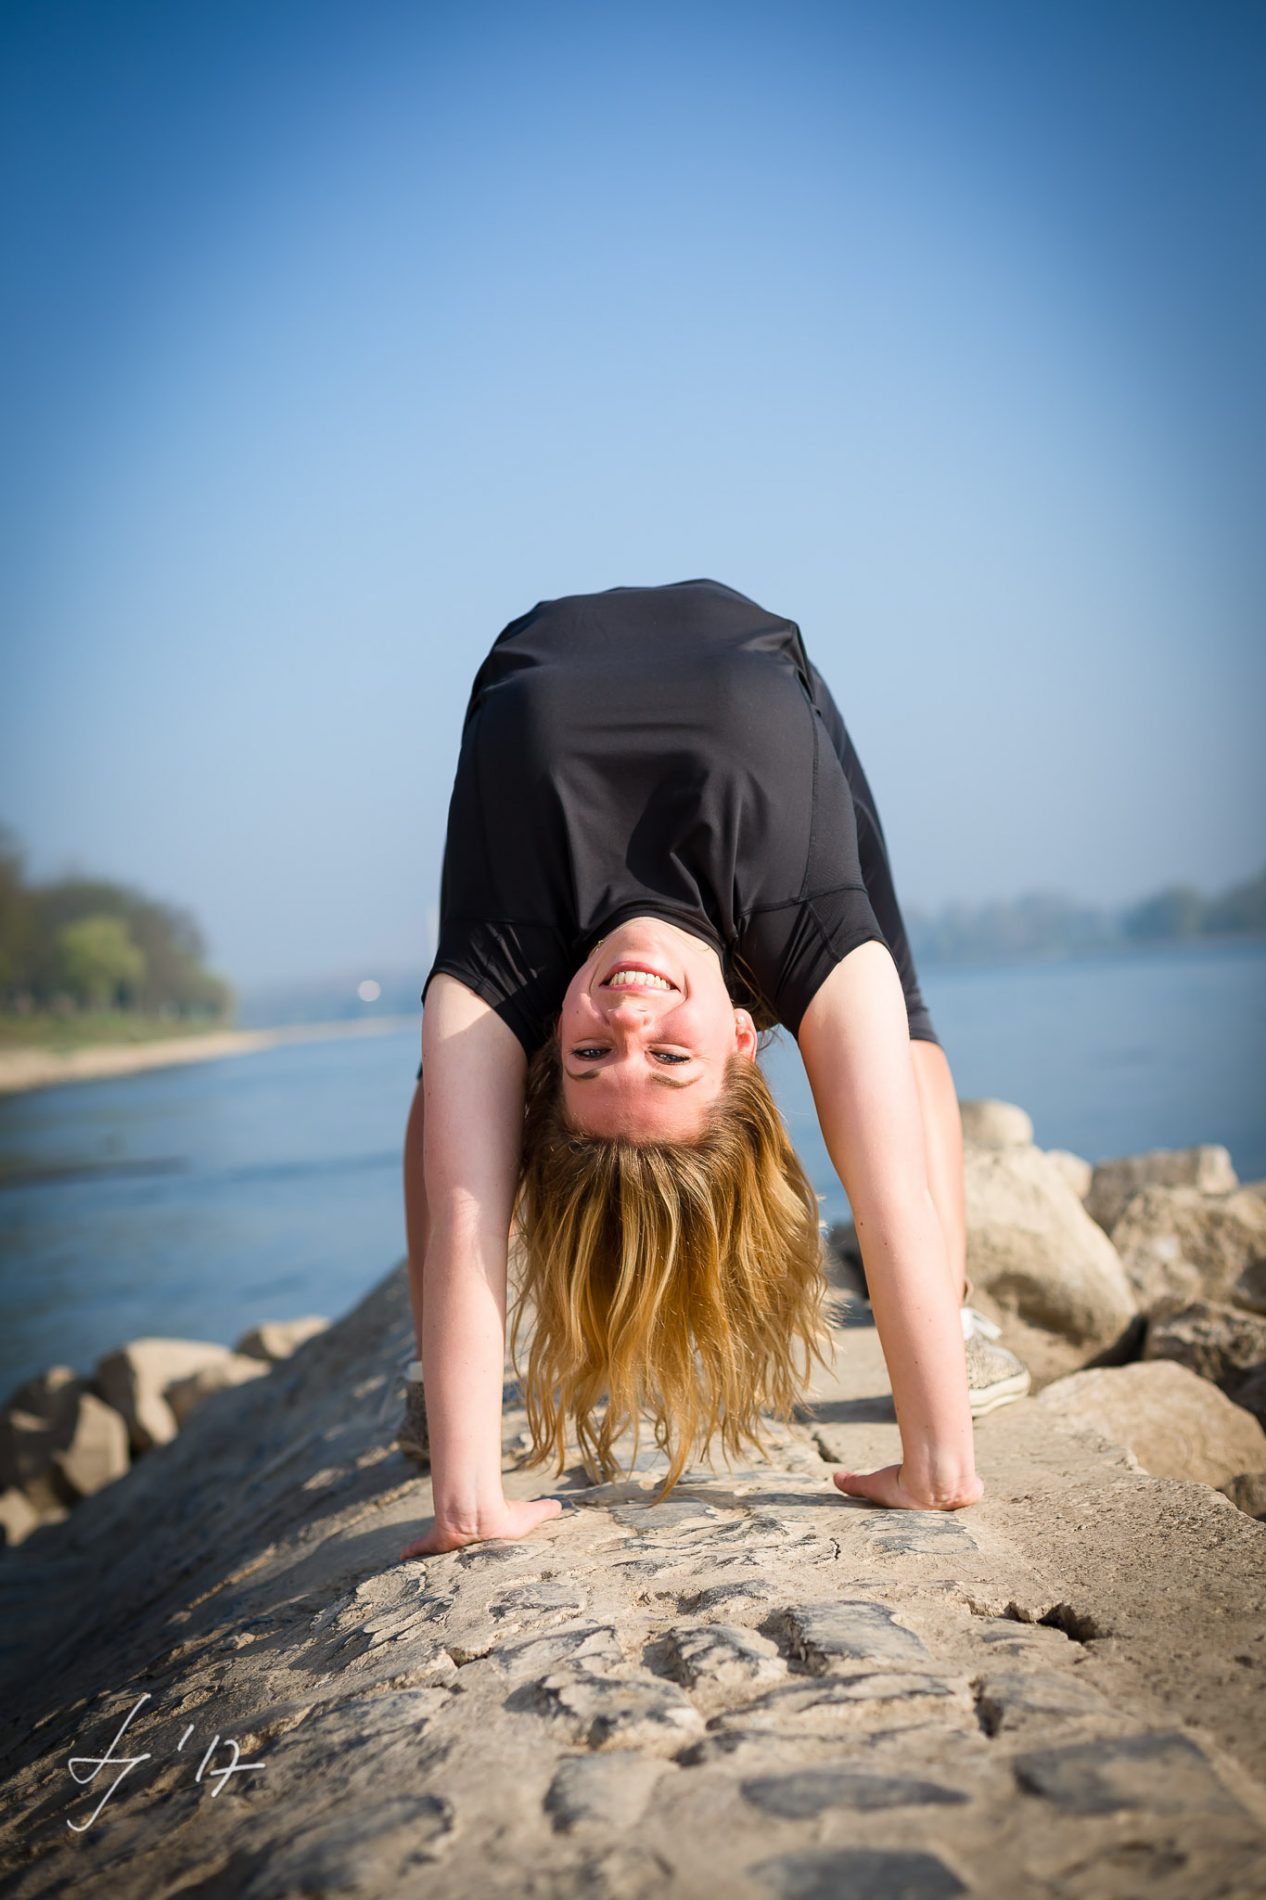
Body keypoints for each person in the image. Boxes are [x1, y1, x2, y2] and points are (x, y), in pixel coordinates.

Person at [396, 579, 1030, 1560]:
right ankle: (946, 1326)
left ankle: (434, 1377)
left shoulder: (513, 957)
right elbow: (887, 1184)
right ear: (743, 1038)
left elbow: (470, 1202)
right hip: (759, 666)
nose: (627, 1011)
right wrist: (938, 1462)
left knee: (450, 1082)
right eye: (667, 1054)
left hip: (524, 675)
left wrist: (473, 1499)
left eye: (591, 1054)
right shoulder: (800, 920)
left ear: (547, 1057)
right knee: (898, 1032)